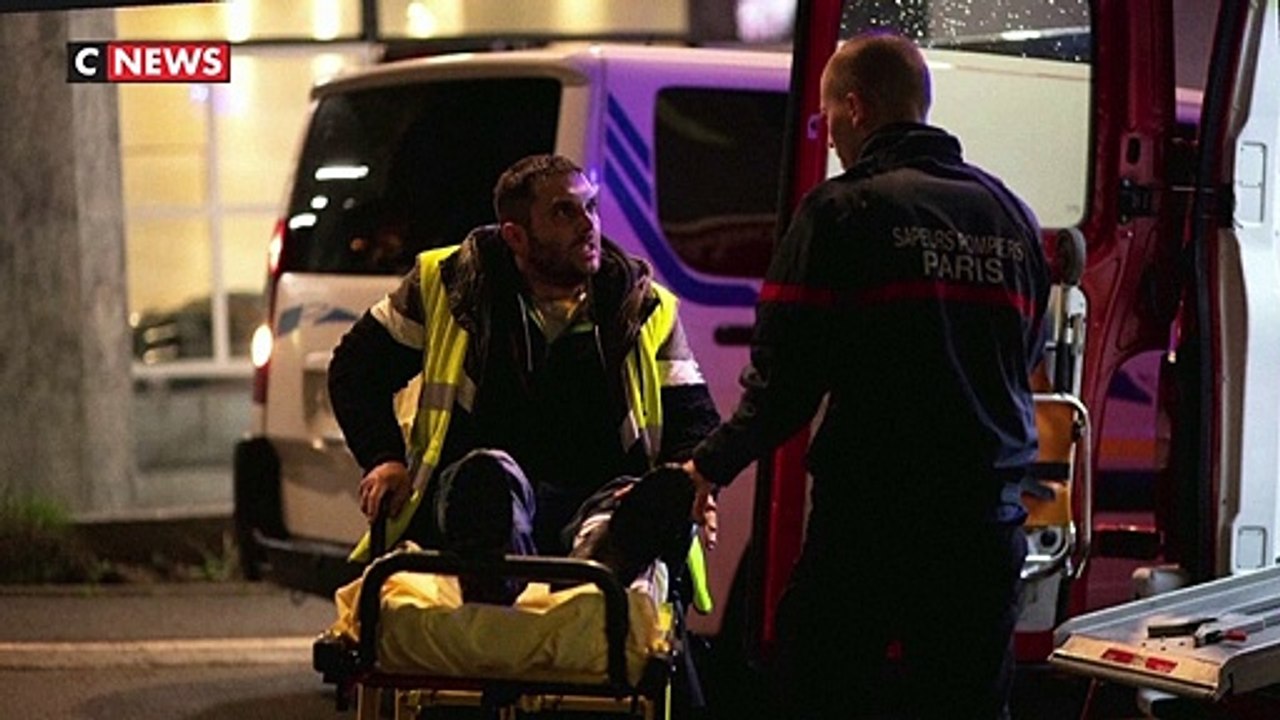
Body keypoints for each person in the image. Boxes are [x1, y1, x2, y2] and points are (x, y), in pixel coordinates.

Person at [684, 32, 1049, 719]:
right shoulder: (1010, 216)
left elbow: (786, 382)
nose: (829, 142)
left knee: (816, 689)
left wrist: (708, 466)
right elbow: (1026, 349)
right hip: (986, 523)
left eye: (828, 123)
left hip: (873, 522)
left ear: (855, 108)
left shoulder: (843, 210)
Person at [328, 153, 719, 577]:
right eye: (564, 212)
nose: (589, 226)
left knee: (616, 517)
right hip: (483, 493)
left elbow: (692, 416)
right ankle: (498, 572)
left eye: (590, 206)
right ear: (516, 236)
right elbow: (355, 369)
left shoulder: (643, 305)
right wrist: (384, 458)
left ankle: (601, 557)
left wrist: (688, 480)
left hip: (598, 493)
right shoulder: (448, 284)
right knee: (487, 481)